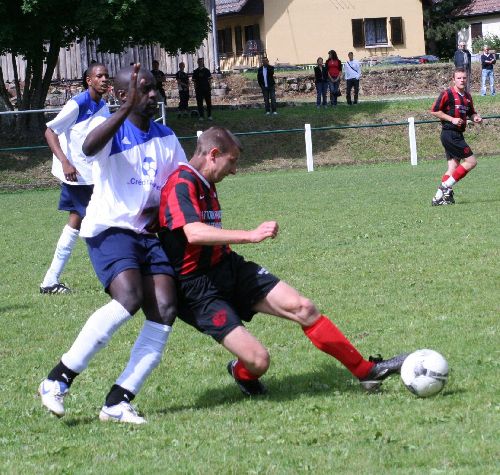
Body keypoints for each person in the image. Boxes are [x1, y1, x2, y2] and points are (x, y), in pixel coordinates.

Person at [158, 126, 407, 397]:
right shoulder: (181, 183)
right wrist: (250, 235)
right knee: (258, 361)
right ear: (214, 155)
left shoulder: (207, 182)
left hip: (229, 267)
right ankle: (241, 373)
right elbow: (193, 233)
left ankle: (365, 371)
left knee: (303, 308)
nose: (234, 170)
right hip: (198, 289)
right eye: (232, 162)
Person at [38, 64, 187, 424]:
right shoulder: (109, 132)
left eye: (155, 89)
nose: (153, 95)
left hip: (147, 234)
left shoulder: (165, 136)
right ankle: (57, 379)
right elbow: (88, 148)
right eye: (144, 90)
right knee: (129, 298)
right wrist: (123, 110)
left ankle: (118, 401)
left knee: (165, 309)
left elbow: (179, 184)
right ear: (122, 95)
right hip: (109, 229)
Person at [40, 63, 110, 294]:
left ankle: (50, 280)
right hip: (77, 176)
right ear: (88, 80)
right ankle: (119, 273)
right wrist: (64, 161)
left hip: (92, 176)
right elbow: (50, 132)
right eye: (99, 76)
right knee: (100, 222)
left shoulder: (102, 105)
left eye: (106, 76)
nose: (104, 80)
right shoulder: (78, 103)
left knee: (76, 222)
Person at [430, 68, 482, 206]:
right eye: (459, 78)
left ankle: (438, 198)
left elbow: (471, 112)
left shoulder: (467, 96)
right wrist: (451, 119)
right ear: (453, 79)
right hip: (450, 133)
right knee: (471, 162)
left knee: (453, 167)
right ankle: (445, 186)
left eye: (464, 78)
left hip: (457, 134)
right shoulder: (447, 94)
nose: (462, 80)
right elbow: (434, 111)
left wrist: (475, 117)